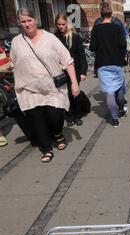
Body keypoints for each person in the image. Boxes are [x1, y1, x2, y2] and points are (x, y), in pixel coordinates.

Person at [10, 8, 80, 163]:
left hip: (52, 88)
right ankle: (46, 148)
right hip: (29, 89)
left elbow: (67, 61)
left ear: (36, 20)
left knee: (55, 117)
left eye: (29, 20)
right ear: (19, 23)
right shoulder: (16, 42)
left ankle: (57, 133)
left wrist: (74, 83)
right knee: (38, 119)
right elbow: (14, 64)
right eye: (23, 21)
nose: (27, 24)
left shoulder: (50, 39)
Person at [89, 1, 127, 128]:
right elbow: (123, 45)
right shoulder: (118, 28)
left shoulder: (96, 29)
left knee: (110, 93)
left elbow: (92, 47)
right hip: (117, 62)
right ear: (112, 13)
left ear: (101, 13)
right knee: (119, 91)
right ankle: (121, 109)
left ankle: (115, 119)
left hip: (103, 64)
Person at [54, 13, 88, 127]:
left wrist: (83, 72)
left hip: (75, 70)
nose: (61, 27)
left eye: (63, 24)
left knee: (75, 93)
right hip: (60, 72)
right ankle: (69, 116)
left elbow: (82, 55)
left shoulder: (75, 37)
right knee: (65, 94)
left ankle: (77, 115)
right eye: (59, 24)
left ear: (67, 24)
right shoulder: (54, 37)